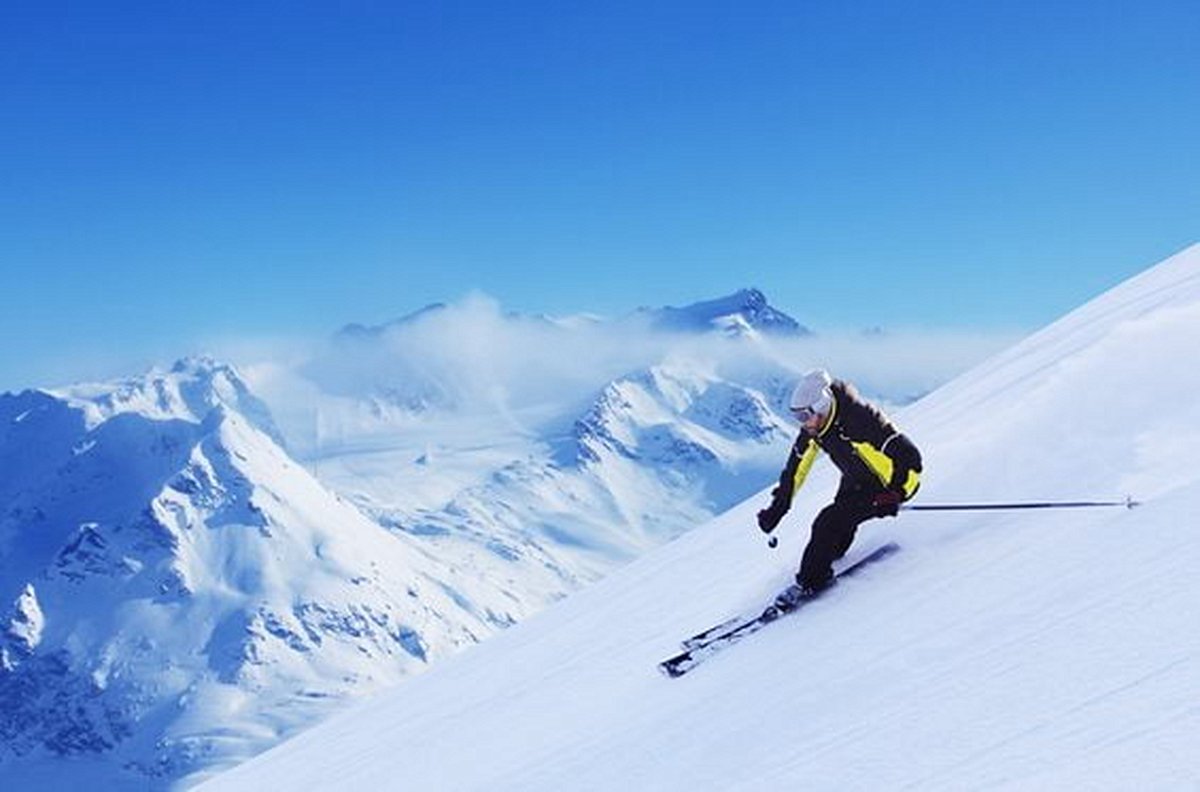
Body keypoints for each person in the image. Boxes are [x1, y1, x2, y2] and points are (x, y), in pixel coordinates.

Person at [757, 369, 922, 607]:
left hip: (887, 485)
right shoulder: (816, 429)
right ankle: (829, 557)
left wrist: (896, 494)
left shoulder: (861, 420)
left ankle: (813, 582)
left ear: (821, 405)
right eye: (797, 417)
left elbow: (911, 459)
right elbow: (796, 470)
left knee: (828, 522)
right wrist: (777, 509)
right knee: (837, 526)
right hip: (856, 479)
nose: (802, 424)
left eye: (804, 416)